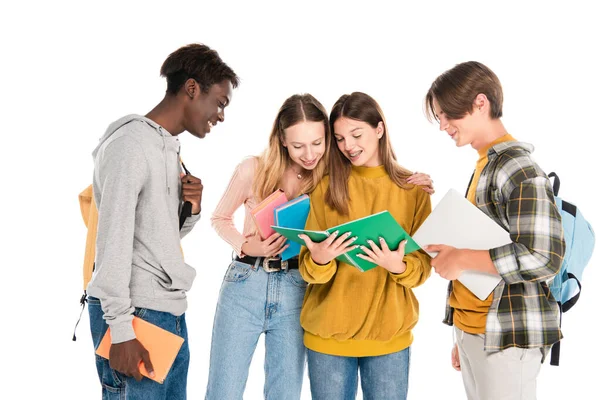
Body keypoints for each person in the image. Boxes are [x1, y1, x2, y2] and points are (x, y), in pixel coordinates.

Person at [205, 93, 435, 399]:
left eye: (319, 143)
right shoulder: (278, 173)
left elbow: (421, 262)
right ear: (282, 140)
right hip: (254, 283)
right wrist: (251, 247)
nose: (310, 154)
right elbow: (221, 218)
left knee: (284, 392)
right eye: (299, 146)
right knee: (224, 390)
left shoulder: (338, 179)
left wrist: (410, 180)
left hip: (304, 290)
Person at [87, 43, 238, 399]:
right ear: (191, 88)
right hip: (135, 314)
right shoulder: (130, 145)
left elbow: (159, 238)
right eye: (219, 102)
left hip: (165, 311)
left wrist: (191, 208)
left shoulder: (166, 148)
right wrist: (122, 331)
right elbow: (113, 240)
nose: (220, 115)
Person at [424, 61, 565, 400]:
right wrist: (462, 335)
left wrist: (462, 258)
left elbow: (545, 258)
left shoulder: (517, 167)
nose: (443, 126)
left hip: (506, 338)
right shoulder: (484, 165)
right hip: (478, 333)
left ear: (480, 103)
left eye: (448, 115)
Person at [298, 92, 433, 400]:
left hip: (389, 340)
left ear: (380, 130)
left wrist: (397, 265)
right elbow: (309, 270)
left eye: (356, 134)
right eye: (340, 138)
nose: (348, 146)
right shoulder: (324, 188)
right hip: (328, 338)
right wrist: (319, 259)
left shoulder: (414, 190)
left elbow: (423, 268)